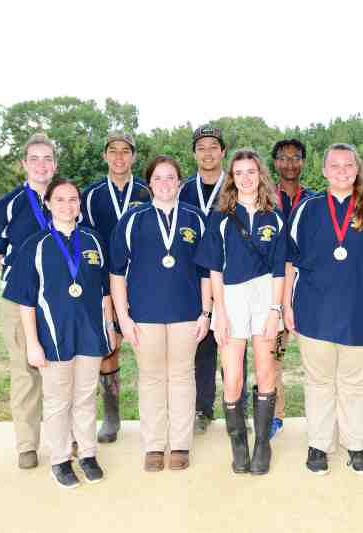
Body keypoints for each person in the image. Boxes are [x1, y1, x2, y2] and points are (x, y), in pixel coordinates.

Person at [284, 143, 363, 476]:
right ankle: (319, 444)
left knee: (356, 383)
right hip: (313, 310)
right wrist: (286, 306)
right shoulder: (306, 209)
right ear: (323, 171)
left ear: (357, 169)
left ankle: (357, 444)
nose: (342, 172)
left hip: (360, 311)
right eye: (335, 166)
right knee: (319, 382)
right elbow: (291, 262)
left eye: (349, 166)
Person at [2, 178, 115, 488]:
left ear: (80, 205)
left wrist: (109, 328)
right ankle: (60, 459)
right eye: (61, 200)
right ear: (48, 204)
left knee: (85, 398)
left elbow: (104, 293)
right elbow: (26, 302)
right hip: (53, 337)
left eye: (74, 200)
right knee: (57, 401)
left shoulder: (93, 241)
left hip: (89, 334)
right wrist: (33, 345)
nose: (68, 205)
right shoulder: (35, 246)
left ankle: (87, 453)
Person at [109, 155, 210, 472]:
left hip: (186, 314)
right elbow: (116, 273)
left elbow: (207, 271)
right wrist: (123, 317)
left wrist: (206, 312)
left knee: (182, 377)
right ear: (149, 183)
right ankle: (154, 445)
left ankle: (180, 444)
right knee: (151, 379)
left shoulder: (196, 218)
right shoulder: (132, 220)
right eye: (158, 178)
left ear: (180, 183)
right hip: (144, 316)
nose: (165, 184)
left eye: (171, 178)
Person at [194, 149, 286, 475]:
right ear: (231, 178)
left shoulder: (274, 217)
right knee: (232, 377)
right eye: (239, 173)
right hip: (230, 297)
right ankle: (238, 441)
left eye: (251, 171)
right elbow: (213, 270)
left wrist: (276, 310)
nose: (246, 178)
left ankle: (262, 442)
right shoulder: (219, 219)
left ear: (260, 175)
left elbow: (280, 269)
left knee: (265, 373)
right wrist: (218, 311)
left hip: (265, 295)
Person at [0, 133, 57, 469]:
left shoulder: (68, 199)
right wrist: (23, 279)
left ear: (54, 165)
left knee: (61, 371)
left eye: (47, 159)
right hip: (18, 300)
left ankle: (64, 438)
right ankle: (27, 446)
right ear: (24, 164)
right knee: (26, 371)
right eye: (35, 159)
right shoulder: (8, 204)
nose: (41, 165)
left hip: (58, 302)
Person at [81, 131, 152, 443]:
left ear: (134, 156)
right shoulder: (91, 194)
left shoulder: (148, 190)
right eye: (113, 151)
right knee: (109, 346)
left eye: (126, 151)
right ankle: (111, 416)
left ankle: (155, 416)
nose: (120, 157)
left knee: (149, 348)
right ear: (105, 156)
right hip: (106, 283)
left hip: (144, 281)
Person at [179, 125, 249, 434]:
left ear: (223, 152)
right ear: (194, 154)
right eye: (201, 148)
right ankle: (202, 409)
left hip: (232, 277)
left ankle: (239, 410)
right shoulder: (183, 190)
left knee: (235, 344)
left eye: (213, 147)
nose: (207, 153)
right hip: (193, 279)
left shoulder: (235, 187)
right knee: (202, 345)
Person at [269, 138, 314, 439]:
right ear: (274, 163)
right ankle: (274, 415)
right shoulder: (263, 198)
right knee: (273, 354)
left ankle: (325, 418)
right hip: (272, 286)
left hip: (308, 287)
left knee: (317, 356)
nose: (289, 163)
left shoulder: (313, 200)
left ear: (303, 162)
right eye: (283, 158)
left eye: (295, 158)